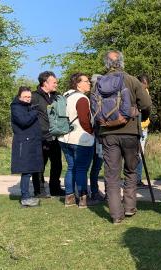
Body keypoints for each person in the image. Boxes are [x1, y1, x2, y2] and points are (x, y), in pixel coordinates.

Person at [96, 50, 152, 224]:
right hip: (129, 131)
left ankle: (115, 215)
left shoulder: (98, 82)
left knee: (112, 175)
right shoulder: (132, 80)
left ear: (106, 63)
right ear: (122, 62)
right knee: (131, 170)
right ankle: (129, 207)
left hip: (107, 133)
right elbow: (147, 104)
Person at [58, 73, 95, 208]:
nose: (89, 83)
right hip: (80, 139)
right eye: (86, 81)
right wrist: (92, 133)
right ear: (78, 84)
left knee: (71, 167)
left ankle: (69, 197)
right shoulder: (82, 98)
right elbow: (84, 121)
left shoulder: (65, 95)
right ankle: (83, 199)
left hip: (64, 137)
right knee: (81, 169)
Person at [31, 71, 65, 197]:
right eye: (54, 82)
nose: (56, 84)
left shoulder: (57, 97)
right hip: (40, 137)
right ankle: (39, 190)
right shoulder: (33, 96)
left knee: (57, 164)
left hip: (55, 136)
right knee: (40, 165)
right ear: (45, 83)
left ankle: (55, 189)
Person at [10, 86, 44, 207]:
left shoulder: (27, 107)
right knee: (26, 171)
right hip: (23, 143)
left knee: (30, 170)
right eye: (25, 97)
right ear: (19, 96)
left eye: (29, 97)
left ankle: (28, 196)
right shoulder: (16, 107)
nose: (27, 99)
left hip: (31, 142)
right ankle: (25, 197)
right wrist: (35, 112)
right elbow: (23, 121)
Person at [88, 74, 105, 202]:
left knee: (95, 166)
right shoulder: (95, 98)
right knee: (97, 166)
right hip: (97, 136)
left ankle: (94, 191)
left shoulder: (91, 97)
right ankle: (94, 191)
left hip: (94, 136)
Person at [135, 72, 150, 188]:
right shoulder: (136, 93)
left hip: (144, 126)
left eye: (146, 84)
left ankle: (137, 178)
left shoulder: (145, 92)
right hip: (138, 127)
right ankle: (136, 179)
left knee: (140, 154)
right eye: (143, 83)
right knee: (137, 154)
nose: (145, 86)